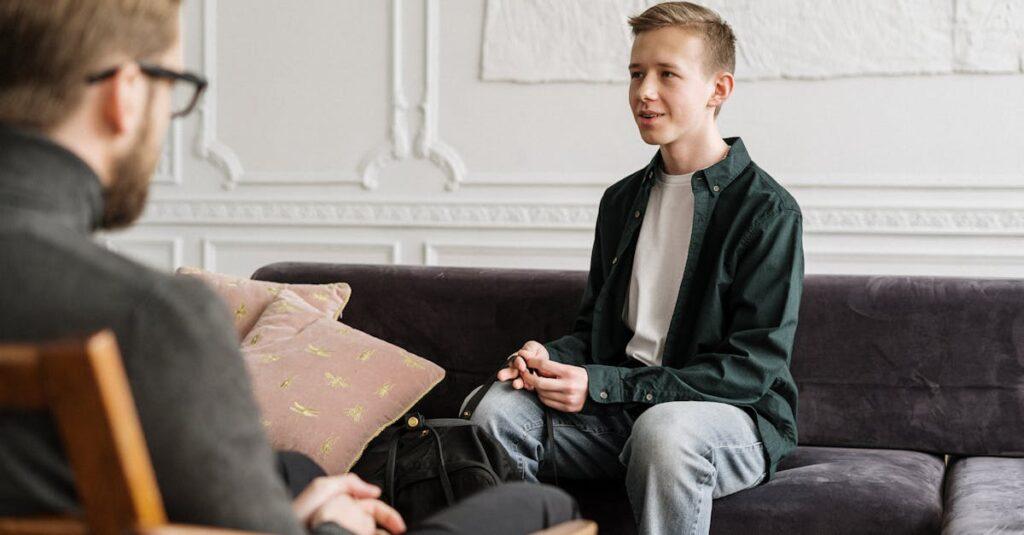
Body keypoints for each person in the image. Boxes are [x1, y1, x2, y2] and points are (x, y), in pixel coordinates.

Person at [0, 1, 577, 534]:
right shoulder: (154, 318)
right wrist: (326, 527)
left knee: (297, 472)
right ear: (125, 94)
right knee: (541, 506)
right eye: (172, 87)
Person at [470, 2, 804, 534]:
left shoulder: (767, 212)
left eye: (667, 74)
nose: (644, 92)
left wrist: (603, 387)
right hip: (620, 415)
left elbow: (750, 370)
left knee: (664, 431)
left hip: (728, 421)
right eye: (635, 74)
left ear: (718, 90)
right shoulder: (621, 201)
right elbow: (594, 333)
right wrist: (546, 357)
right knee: (497, 413)